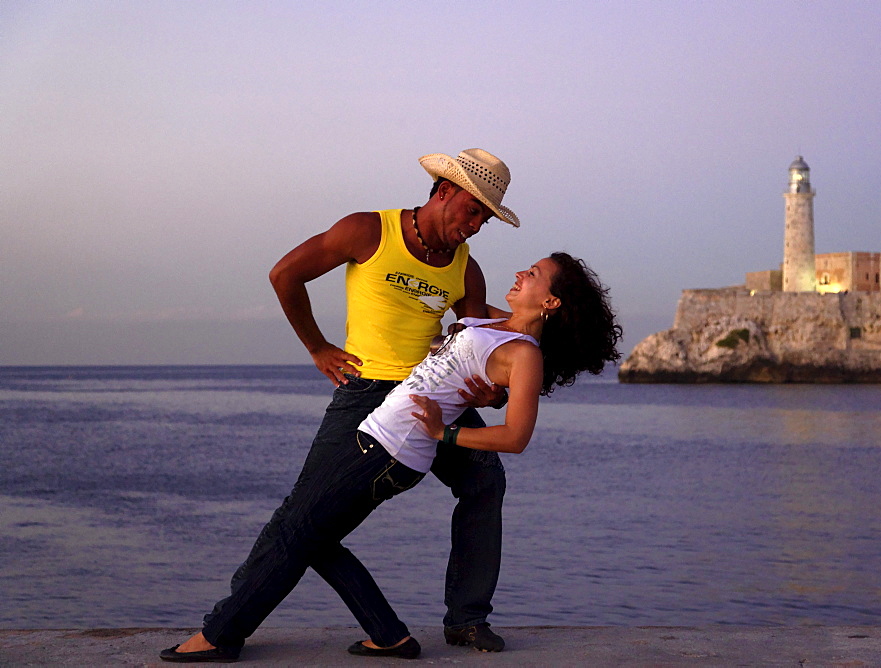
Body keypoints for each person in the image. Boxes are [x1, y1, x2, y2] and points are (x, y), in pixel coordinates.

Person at [160, 252, 623, 661]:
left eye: (536, 273)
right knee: (311, 535)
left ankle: (220, 634)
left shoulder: (524, 354)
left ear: (551, 302)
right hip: (378, 433)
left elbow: (517, 436)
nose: (522, 271)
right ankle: (389, 636)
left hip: (393, 449)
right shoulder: (493, 321)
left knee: (299, 529)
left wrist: (447, 433)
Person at [160, 149, 517, 663]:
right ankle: (230, 632)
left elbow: (478, 346)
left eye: (485, 216)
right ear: (444, 191)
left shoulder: (467, 270)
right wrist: (318, 348)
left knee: (485, 480)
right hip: (367, 393)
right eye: (473, 210)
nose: (477, 224)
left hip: (431, 396)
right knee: (304, 521)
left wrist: (493, 393)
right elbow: (285, 274)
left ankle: (466, 620)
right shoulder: (368, 231)